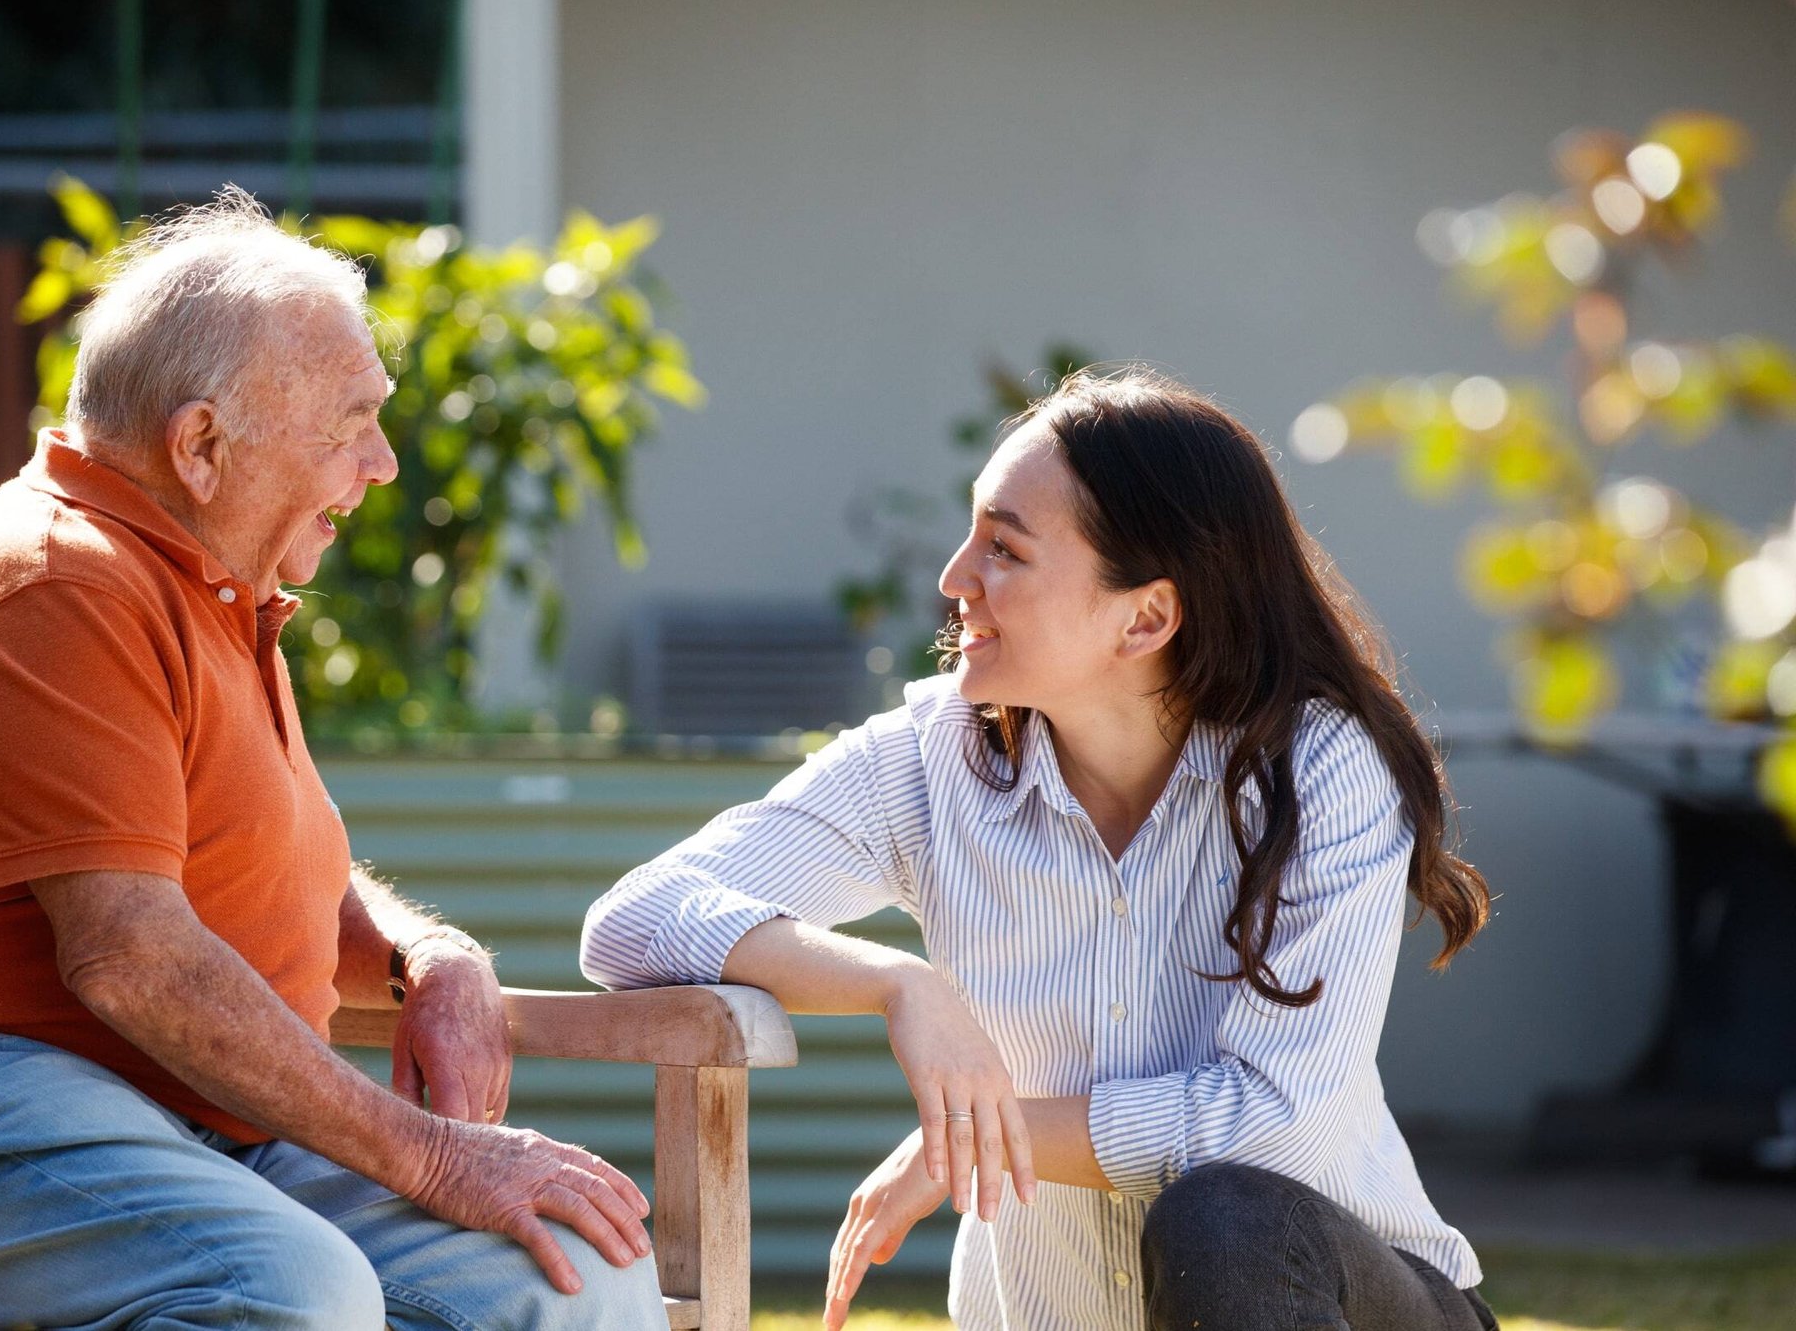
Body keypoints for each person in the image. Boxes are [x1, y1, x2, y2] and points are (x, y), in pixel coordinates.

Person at [0, 190, 667, 1331]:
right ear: (201, 444)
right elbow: (133, 956)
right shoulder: (63, 581)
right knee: (284, 1290)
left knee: (571, 1273)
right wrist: (441, 1159)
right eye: (349, 423)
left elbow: (257, 876)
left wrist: (428, 957)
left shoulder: (210, 588)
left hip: (178, 1120)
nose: (385, 462)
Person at [581, 367, 1499, 1331]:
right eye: (972, 532)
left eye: (1005, 549)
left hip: (1357, 1304)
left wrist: (973, 1138)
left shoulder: (1319, 769)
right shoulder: (936, 757)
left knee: (1224, 1216)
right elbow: (633, 921)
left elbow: (1278, 1127)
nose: (953, 578)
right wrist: (900, 984)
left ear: (1143, 616)